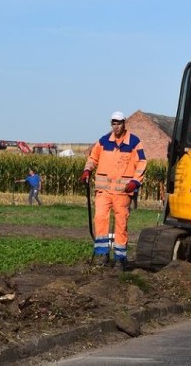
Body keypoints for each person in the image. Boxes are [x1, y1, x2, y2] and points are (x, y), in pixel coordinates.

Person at [79, 111, 147, 270]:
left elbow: (142, 162)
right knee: (100, 219)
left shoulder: (134, 142)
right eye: (114, 124)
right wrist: (87, 170)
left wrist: (135, 181)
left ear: (124, 124)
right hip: (103, 191)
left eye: (119, 123)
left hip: (123, 192)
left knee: (121, 225)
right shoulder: (103, 141)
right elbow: (92, 158)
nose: (116, 127)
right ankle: (102, 255)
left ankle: (120, 258)